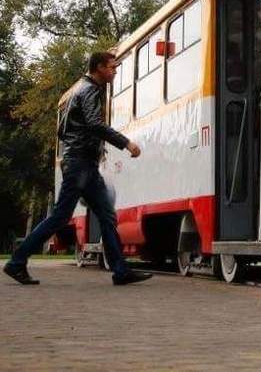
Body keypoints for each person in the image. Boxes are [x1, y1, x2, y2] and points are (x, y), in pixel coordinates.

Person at [3, 52, 152, 286]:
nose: (115, 71)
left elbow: (62, 131)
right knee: (61, 217)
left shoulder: (76, 90)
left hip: (81, 163)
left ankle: (121, 271)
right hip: (80, 163)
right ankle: (16, 262)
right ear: (99, 67)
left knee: (106, 215)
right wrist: (126, 143)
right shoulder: (91, 90)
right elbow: (94, 124)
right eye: (112, 67)